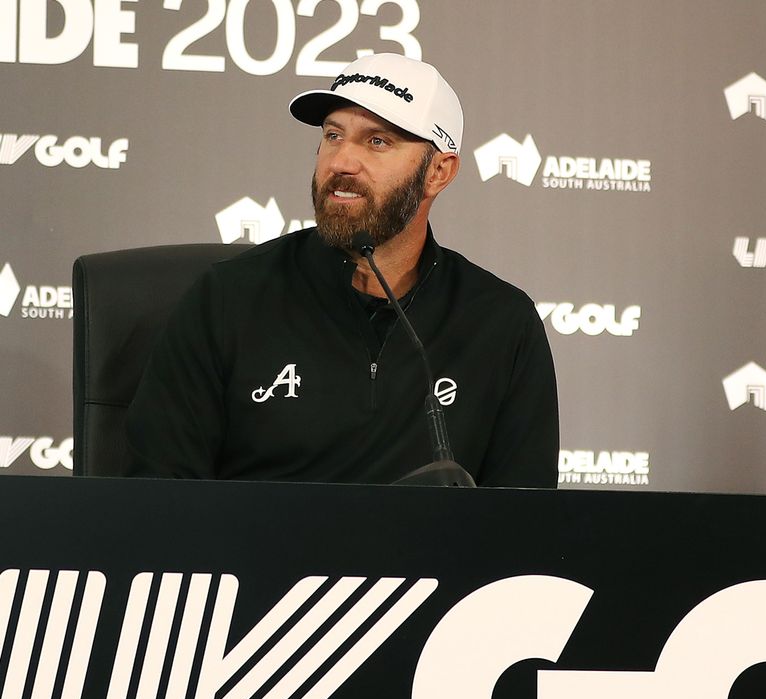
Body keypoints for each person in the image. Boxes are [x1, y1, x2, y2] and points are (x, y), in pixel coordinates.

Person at [125, 54, 558, 487]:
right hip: (253, 554)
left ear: (438, 172)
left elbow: (524, 528)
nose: (341, 163)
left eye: (377, 142)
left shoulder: (501, 323)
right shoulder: (226, 299)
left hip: (426, 557)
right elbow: (160, 503)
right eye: (334, 135)